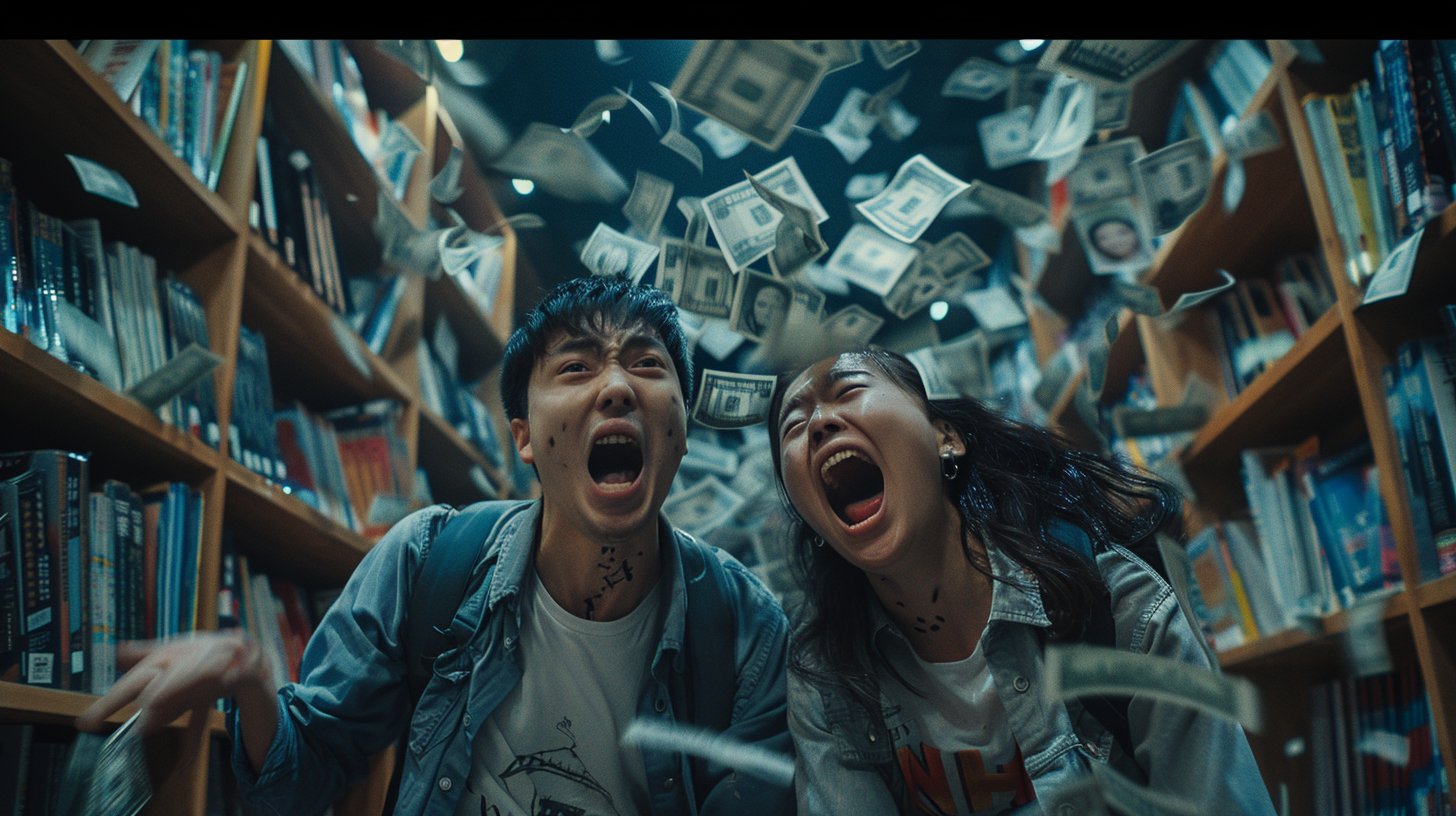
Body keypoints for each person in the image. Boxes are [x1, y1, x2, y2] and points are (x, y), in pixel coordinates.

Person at [77, 273, 794, 816]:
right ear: (522, 436)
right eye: (576, 368)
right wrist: (250, 680)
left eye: (646, 364)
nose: (615, 387)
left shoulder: (745, 628)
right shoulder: (427, 559)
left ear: (682, 427)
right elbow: (307, 773)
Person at [767, 347, 1276, 815]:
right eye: (794, 423)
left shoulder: (1121, 608)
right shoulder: (825, 676)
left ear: (947, 438)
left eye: (848, 390)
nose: (818, 423)